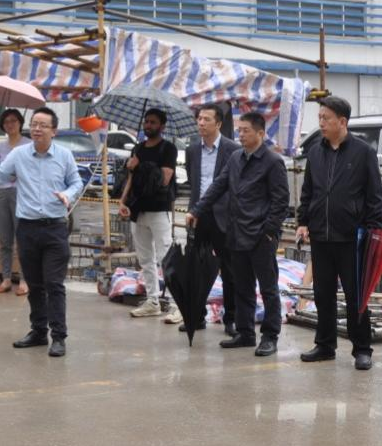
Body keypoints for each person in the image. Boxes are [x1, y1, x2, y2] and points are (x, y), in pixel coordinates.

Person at [0, 107, 83, 358]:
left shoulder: (64, 156)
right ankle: (38, 332)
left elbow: (76, 182)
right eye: (35, 124)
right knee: (35, 285)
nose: (37, 128)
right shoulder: (19, 155)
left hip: (55, 228)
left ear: (54, 131)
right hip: (27, 228)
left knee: (54, 284)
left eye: (43, 125)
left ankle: (58, 336)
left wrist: (68, 194)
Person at [188, 111, 289, 357]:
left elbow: (280, 202)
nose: (240, 135)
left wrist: (269, 232)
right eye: (239, 130)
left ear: (260, 133)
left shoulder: (272, 162)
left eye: (246, 131)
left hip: (261, 236)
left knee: (268, 289)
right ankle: (245, 333)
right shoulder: (235, 158)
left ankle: (270, 336)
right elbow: (218, 186)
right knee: (241, 286)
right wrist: (197, 210)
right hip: (236, 233)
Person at [295, 96, 382, 371]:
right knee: (323, 293)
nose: (321, 123)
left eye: (326, 118)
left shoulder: (363, 152)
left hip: (352, 238)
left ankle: (362, 349)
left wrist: (372, 231)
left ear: (342, 121)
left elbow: (375, 195)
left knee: (356, 297)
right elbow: (308, 191)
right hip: (321, 236)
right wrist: (303, 221)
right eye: (320, 118)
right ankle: (325, 345)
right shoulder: (315, 153)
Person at [183, 104, 241, 333]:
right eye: (199, 118)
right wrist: (194, 209)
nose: (201, 123)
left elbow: (233, 185)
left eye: (206, 119)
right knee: (196, 268)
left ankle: (231, 319)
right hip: (198, 215)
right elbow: (193, 181)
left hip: (223, 216)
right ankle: (197, 316)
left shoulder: (232, 149)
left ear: (218, 123)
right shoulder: (192, 150)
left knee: (229, 270)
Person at [117, 109, 178, 319]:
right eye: (146, 122)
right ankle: (153, 301)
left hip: (159, 209)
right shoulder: (138, 148)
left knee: (166, 257)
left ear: (162, 126)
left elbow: (164, 179)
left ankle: (178, 305)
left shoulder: (168, 148)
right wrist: (123, 200)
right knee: (145, 259)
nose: (148, 125)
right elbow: (131, 178)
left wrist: (139, 165)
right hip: (137, 210)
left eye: (153, 122)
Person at [0, 109, 28, 295]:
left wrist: (19, 173)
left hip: (22, 193)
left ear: (20, 123)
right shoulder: (0, 146)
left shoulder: (28, 144)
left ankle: (25, 279)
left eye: (13, 121)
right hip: (3, 193)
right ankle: (6, 278)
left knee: (23, 239)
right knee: (5, 239)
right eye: (6, 122)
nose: (10, 124)